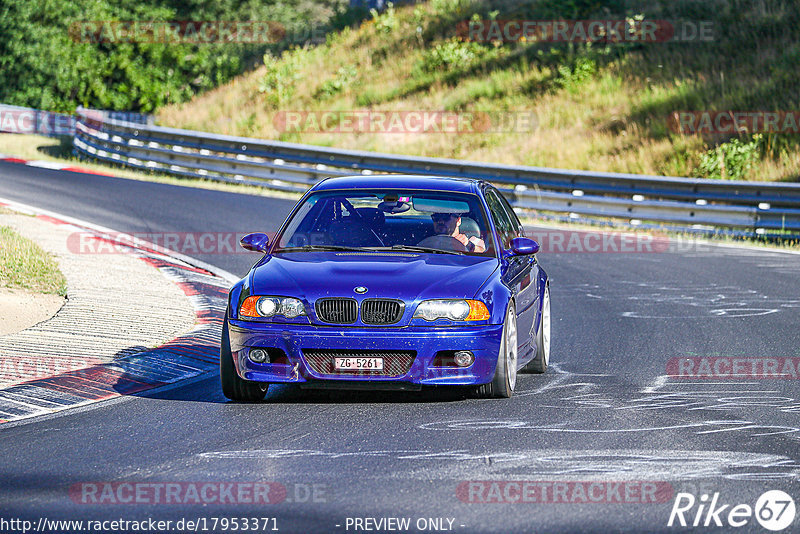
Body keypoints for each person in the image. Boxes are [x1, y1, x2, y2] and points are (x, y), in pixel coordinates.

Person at [418, 212, 486, 253]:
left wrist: (469, 245)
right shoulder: (425, 241)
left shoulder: (473, 240)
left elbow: (485, 254)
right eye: (436, 218)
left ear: (458, 221)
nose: (440, 222)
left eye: (446, 218)